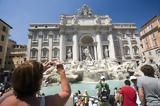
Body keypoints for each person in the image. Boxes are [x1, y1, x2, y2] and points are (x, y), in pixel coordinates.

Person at [0, 60, 71, 106]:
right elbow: (66, 92)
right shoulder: (44, 103)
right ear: (39, 81)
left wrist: (36, 72)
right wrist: (61, 72)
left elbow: (19, 83)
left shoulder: (4, 98)